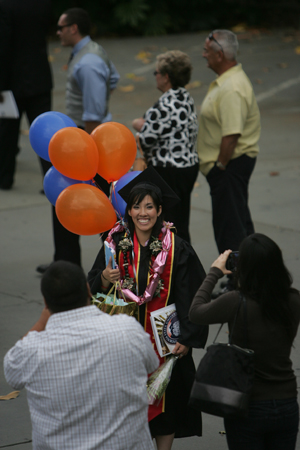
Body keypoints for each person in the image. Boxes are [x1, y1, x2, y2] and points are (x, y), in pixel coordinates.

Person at [88, 167, 208, 450]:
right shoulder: (115, 243)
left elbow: (194, 294)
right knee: (127, 407)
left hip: (164, 342)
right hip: (123, 341)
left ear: (160, 210)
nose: (144, 213)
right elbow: (91, 288)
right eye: (137, 206)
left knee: (164, 405)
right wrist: (104, 278)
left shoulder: (177, 247)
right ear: (128, 211)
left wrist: (187, 339)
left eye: (150, 206)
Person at [4, 260, 158, 450]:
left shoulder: (31, 350)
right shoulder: (127, 330)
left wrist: (43, 319)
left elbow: (11, 372)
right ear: (87, 289)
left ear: (45, 302)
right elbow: (152, 365)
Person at [189, 233, 300, 450]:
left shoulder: (235, 302)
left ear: (244, 268)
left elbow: (195, 312)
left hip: (247, 405)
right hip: (287, 403)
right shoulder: (293, 300)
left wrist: (214, 272)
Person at [36, 8, 120, 274]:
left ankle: (102, 266)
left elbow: (94, 113)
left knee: (79, 203)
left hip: (86, 143)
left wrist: (87, 147)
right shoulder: (93, 52)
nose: (58, 32)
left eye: (61, 27)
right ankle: (66, 261)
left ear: (74, 28)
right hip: (82, 137)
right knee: (66, 201)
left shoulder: (88, 62)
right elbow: (114, 78)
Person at [197, 29, 261, 293]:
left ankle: (238, 285)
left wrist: (219, 167)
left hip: (229, 165)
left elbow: (231, 135)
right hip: (230, 166)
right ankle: (249, 279)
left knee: (230, 228)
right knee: (239, 222)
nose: (203, 55)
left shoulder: (232, 87)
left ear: (220, 54)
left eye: (207, 51)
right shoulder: (228, 80)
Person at [132, 50, 199, 244]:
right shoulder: (185, 98)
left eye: (156, 73)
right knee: (181, 222)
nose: (155, 76)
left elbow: (146, 140)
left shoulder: (164, 104)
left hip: (168, 171)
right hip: (188, 167)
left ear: (166, 77)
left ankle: (171, 266)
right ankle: (185, 264)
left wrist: (139, 126)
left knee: (167, 225)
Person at [0, 0, 52, 190]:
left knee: (7, 131)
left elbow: (4, 46)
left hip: (13, 80)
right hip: (39, 77)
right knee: (45, 133)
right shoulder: (42, 4)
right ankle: (50, 179)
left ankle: (5, 177)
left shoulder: (5, 6)